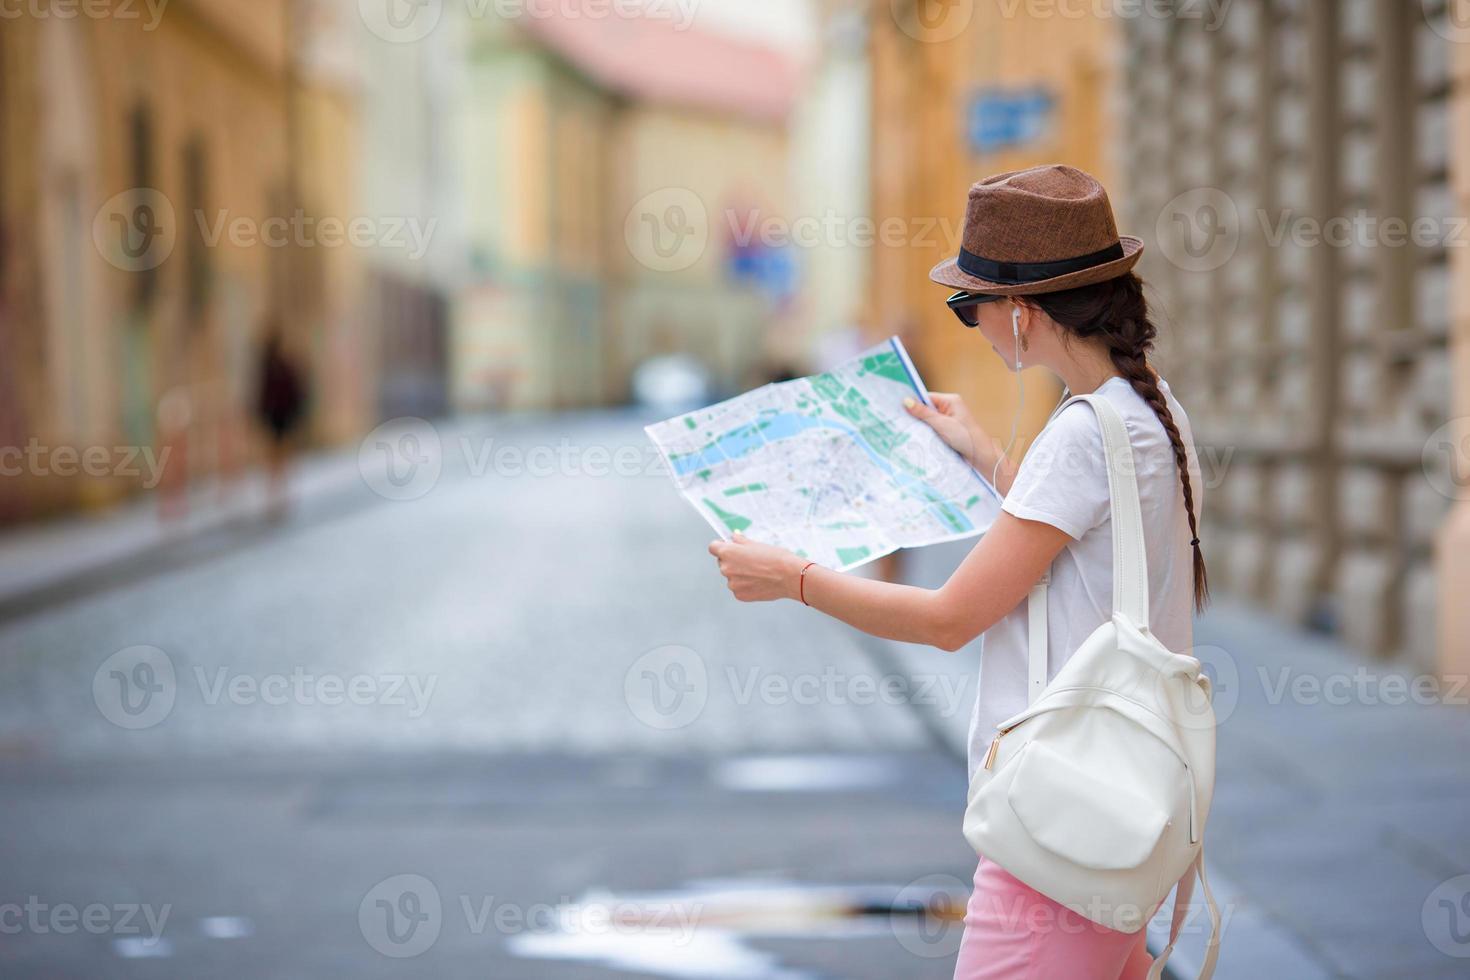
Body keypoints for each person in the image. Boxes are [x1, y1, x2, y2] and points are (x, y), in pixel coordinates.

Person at [708, 165, 1207, 979]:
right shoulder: (1150, 411)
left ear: (1021, 313)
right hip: (1127, 807)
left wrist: (792, 575)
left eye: (969, 304)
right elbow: (1087, 539)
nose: (969, 321)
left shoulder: (1081, 434)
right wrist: (983, 451)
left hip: (1057, 830)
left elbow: (947, 621)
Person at [254, 320, 307, 521]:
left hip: (278, 417)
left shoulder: (274, 366)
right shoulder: (273, 366)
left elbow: (266, 394)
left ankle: (278, 493)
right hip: (278, 417)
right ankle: (278, 493)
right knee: (278, 457)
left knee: (276, 457)